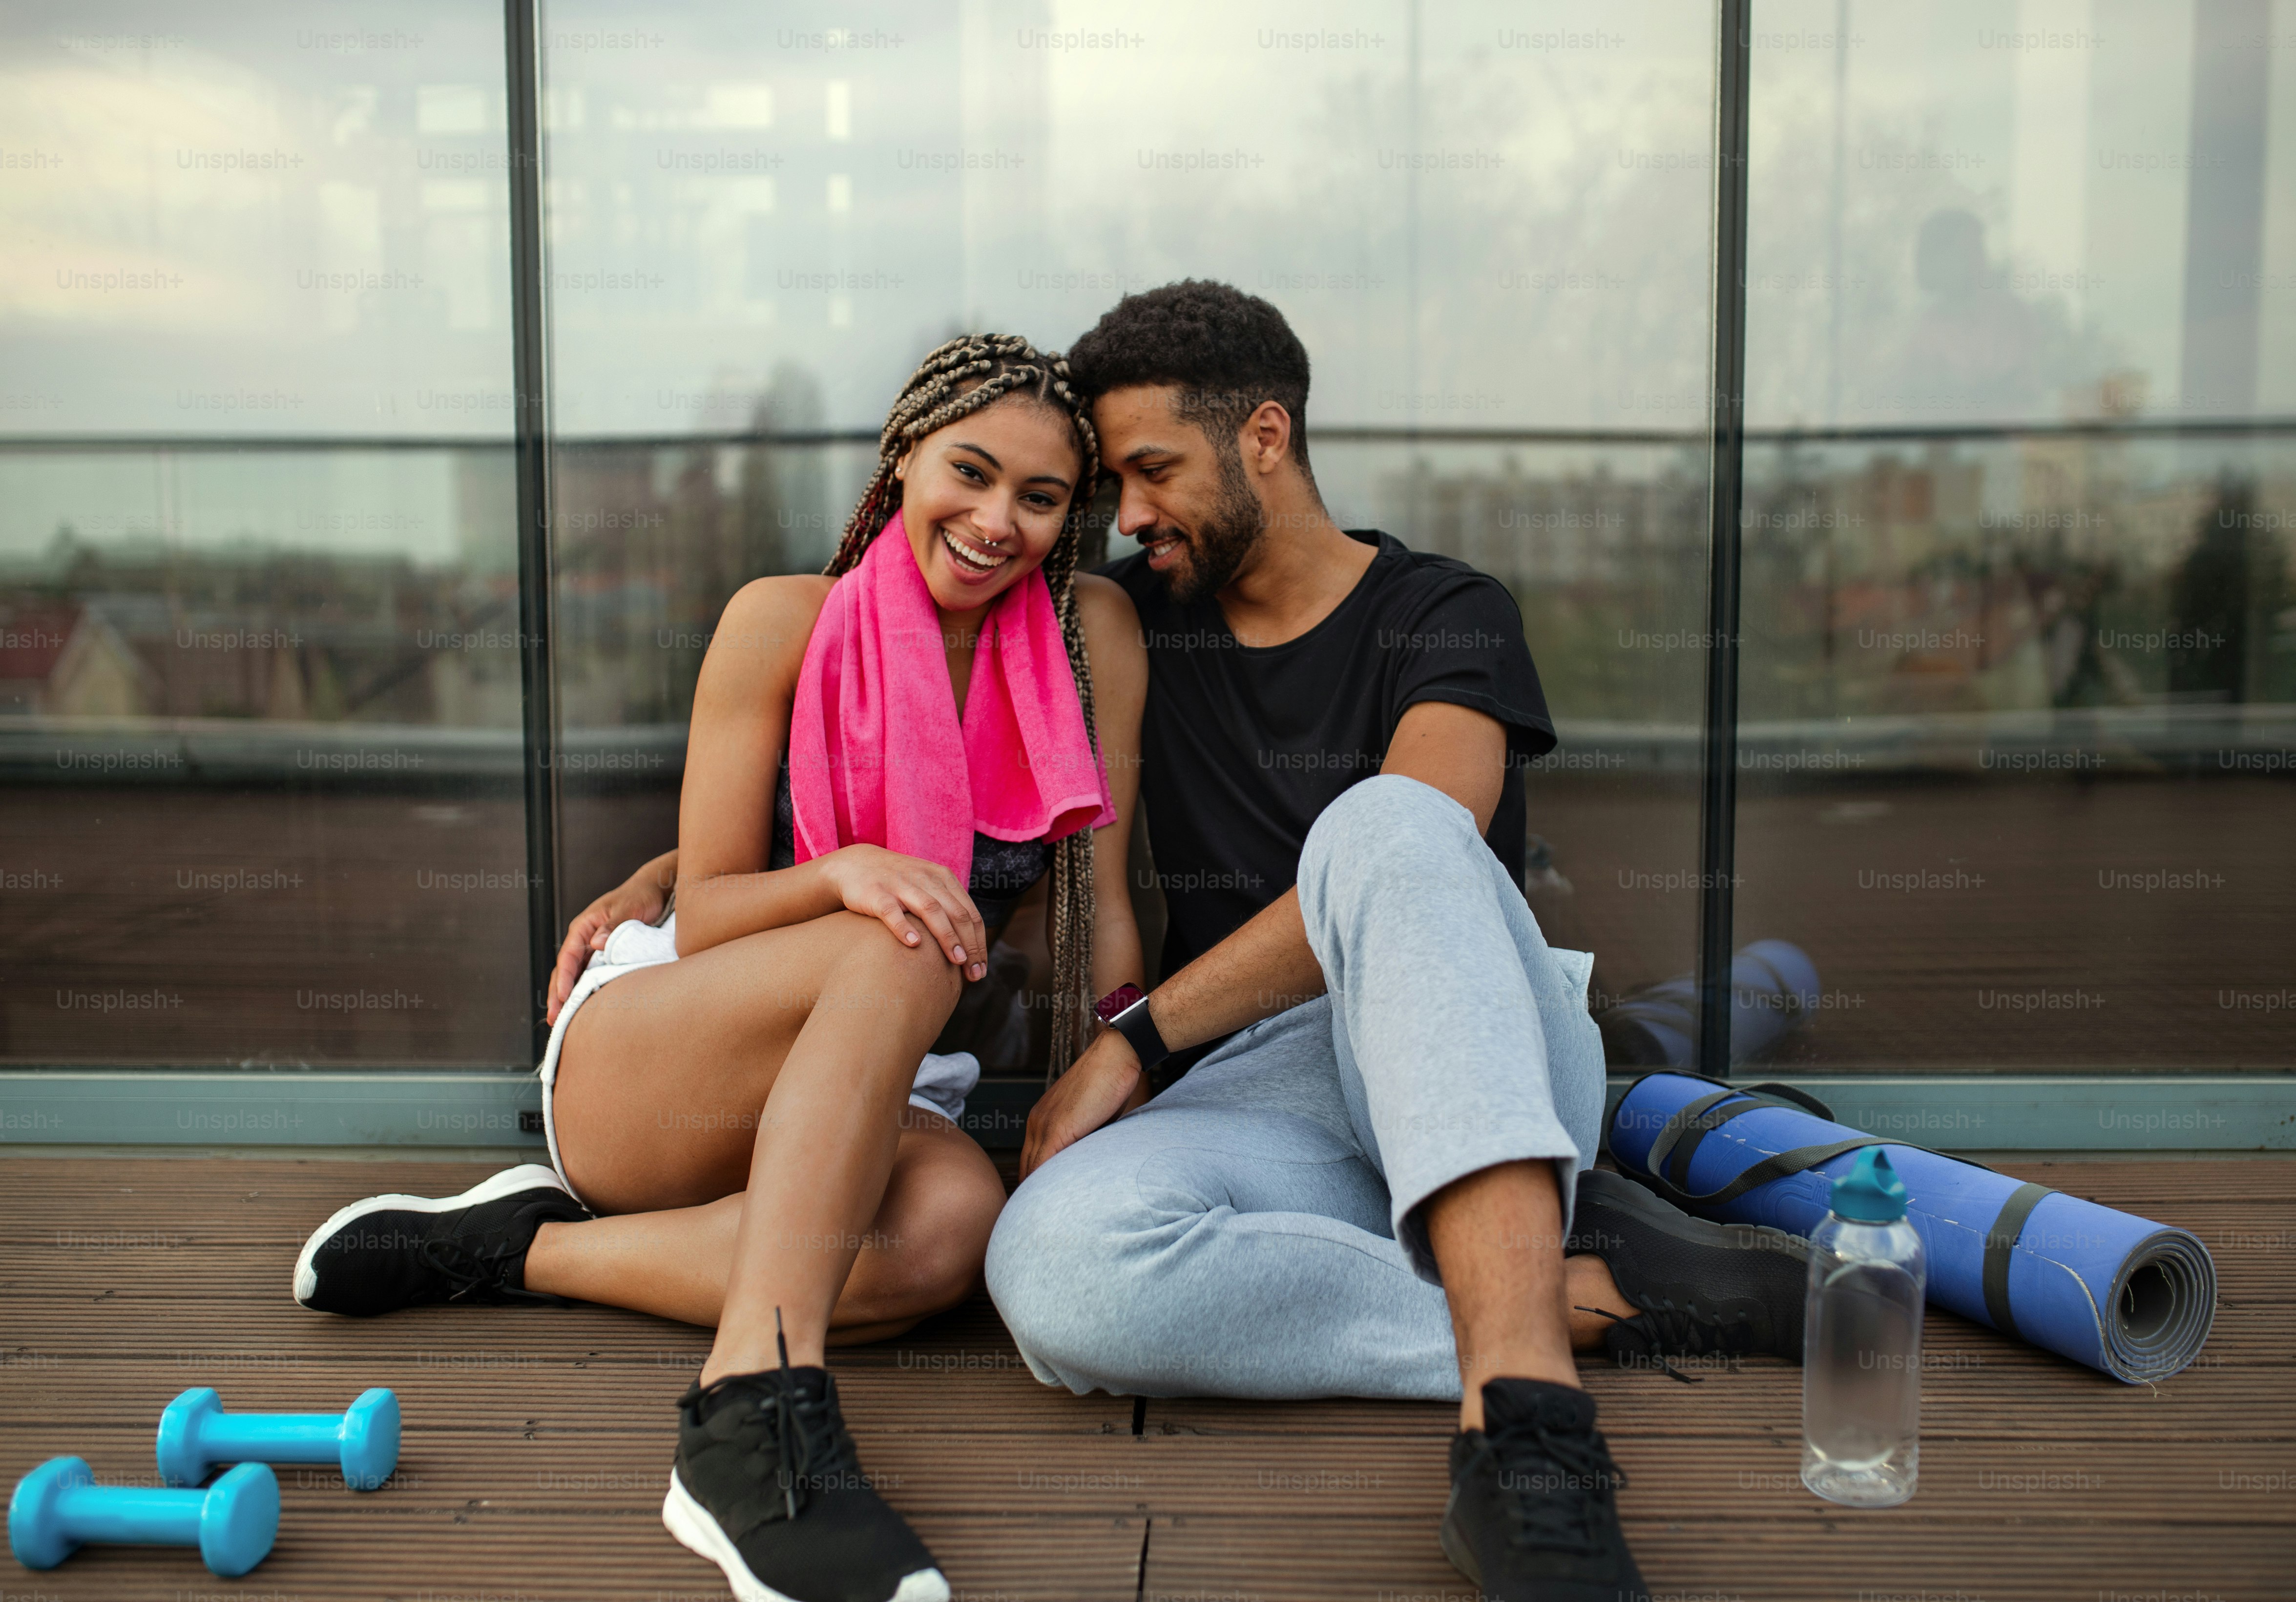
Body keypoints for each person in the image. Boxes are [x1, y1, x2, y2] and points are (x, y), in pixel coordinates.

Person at [981, 282, 1811, 1602]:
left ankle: (1527, 1435)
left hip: (1466, 1035)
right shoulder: (1132, 621)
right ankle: (1579, 1285)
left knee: (1383, 826)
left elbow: (1434, 826)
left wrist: (1134, 1041)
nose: (1127, 516)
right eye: (1116, 488)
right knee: (1051, 1267)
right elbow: (892, 667)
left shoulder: (1445, 610)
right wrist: (687, 861)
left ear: (1264, 437)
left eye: (1152, 471)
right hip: (1270, 1090)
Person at [289, 335, 1148, 1602]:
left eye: (1041, 497)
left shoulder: (1091, 642)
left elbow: (1105, 909)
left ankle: (514, 1250)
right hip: (665, 1058)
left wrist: (1122, 1075)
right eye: (969, 473)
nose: (998, 521)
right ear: (904, 458)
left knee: (944, 1238)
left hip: (883, 1071)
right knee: (901, 927)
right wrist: (844, 871)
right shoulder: (781, 621)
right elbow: (712, 910)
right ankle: (749, 1417)